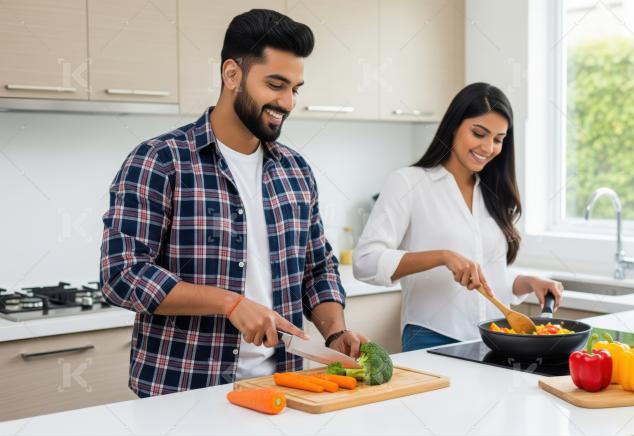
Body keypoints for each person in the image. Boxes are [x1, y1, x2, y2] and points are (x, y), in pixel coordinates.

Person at [100, 9, 366, 397]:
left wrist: (335, 331)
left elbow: (317, 267)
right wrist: (229, 303)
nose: (288, 101)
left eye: (295, 88)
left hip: (281, 387)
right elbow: (121, 275)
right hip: (184, 391)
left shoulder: (295, 170)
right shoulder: (160, 160)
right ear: (232, 75)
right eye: (275, 84)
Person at [353, 83, 564, 352]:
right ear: (454, 126)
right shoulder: (408, 182)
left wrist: (527, 282)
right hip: (432, 338)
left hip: (495, 340)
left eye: (498, 139)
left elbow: (489, 273)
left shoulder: (494, 193)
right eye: (479, 133)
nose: (488, 147)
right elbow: (365, 262)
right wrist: (443, 256)